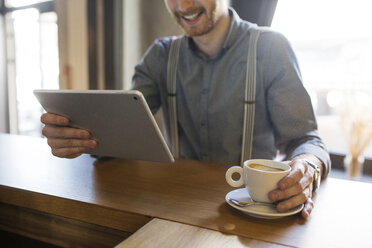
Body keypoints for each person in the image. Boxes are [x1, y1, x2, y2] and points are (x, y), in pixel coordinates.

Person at [40, 0, 330, 219]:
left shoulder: (271, 47)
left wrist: (308, 168)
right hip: (178, 209)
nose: (184, 5)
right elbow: (122, 127)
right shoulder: (160, 56)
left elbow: (307, 140)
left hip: (252, 216)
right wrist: (81, 134)